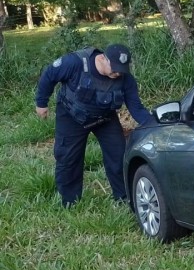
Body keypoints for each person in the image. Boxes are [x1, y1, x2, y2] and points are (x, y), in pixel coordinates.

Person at [34, 44, 156, 207]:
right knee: (68, 157)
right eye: (114, 69)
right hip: (71, 116)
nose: (118, 73)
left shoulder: (125, 79)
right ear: (103, 59)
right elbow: (49, 75)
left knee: (119, 155)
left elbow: (136, 108)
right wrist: (41, 103)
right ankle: (70, 201)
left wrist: (154, 125)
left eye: (121, 70)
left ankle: (123, 197)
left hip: (104, 117)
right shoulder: (75, 63)